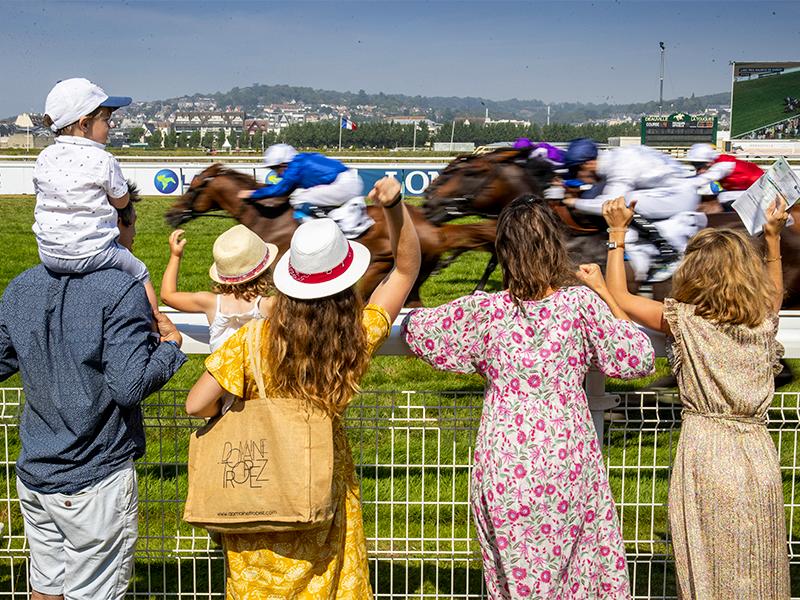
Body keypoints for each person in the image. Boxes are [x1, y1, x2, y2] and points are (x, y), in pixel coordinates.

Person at [403, 195, 655, 598]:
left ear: (505, 251)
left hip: (503, 462)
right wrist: (606, 296)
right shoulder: (580, 304)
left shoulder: (485, 311)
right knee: (576, 572)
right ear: (554, 246)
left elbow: (415, 329)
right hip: (566, 458)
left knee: (514, 582)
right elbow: (637, 357)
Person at [185, 175, 420, 598]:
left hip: (258, 493)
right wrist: (395, 206)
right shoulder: (354, 338)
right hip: (321, 485)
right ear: (345, 279)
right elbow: (406, 270)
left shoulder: (251, 340)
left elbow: (197, 404)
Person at [598, 195, 791, 598]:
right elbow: (774, 291)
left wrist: (617, 235)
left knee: (706, 562)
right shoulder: (762, 319)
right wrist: (772, 239)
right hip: (757, 452)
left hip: (705, 451)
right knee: (758, 561)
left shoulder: (682, 321)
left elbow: (620, 296)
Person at [0, 200, 187, 600]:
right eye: (132, 223)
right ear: (110, 226)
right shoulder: (120, 290)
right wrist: (171, 348)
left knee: (45, 587)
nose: (134, 234)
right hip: (94, 477)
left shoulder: (20, 286)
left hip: (35, 473)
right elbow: (128, 386)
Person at [33, 77, 158, 311]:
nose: (111, 126)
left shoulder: (44, 157)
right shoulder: (104, 159)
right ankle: (157, 324)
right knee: (140, 272)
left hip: (48, 253)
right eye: (107, 120)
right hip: (94, 253)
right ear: (84, 124)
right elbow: (122, 201)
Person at [563, 139, 735, 281]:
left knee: (624, 202)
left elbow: (609, 204)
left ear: (588, 164)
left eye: (576, 172)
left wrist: (574, 202)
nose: (578, 177)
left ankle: (667, 250)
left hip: (680, 196)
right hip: (672, 191)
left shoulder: (619, 166)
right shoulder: (614, 159)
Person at [161, 225, 277, 352]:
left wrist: (175, 256)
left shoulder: (210, 303)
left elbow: (168, 296)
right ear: (265, 270)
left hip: (218, 372)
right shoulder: (270, 305)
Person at [238, 143, 374, 238]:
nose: (277, 174)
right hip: (347, 181)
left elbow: (280, 190)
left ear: (283, 164)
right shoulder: (299, 160)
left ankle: (324, 232)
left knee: (299, 198)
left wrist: (252, 194)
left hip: (345, 184)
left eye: (275, 169)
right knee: (302, 196)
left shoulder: (294, 167)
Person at [684, 142, 764, 207]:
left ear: (709, 163)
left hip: (760, 190)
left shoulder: (722, 166)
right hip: (748, 189)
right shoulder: (717, 161)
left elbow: (702, 180)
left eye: (699, 166)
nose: (698, 171)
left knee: (722, 197)